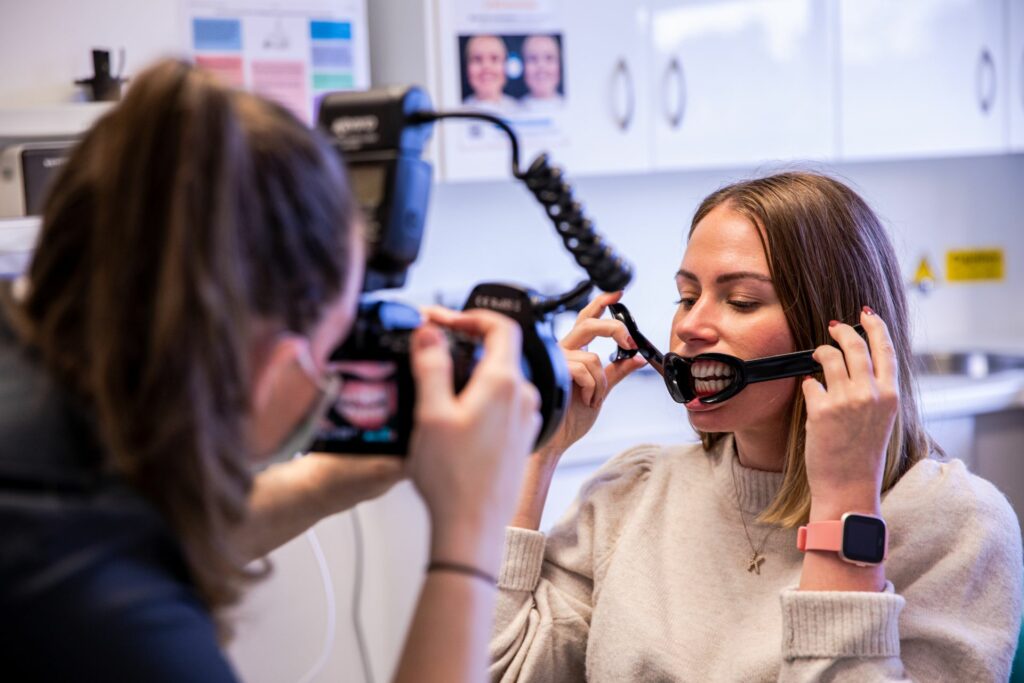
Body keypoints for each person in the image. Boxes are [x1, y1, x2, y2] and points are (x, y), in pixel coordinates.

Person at [0, 59, 541, 682]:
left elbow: (153, 523)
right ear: (273, 366)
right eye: (333, 345)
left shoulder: (48, 447)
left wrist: (333, 479)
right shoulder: (121, 629)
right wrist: (466, 535)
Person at [487, 172, 1023, 681]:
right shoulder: (631, 493)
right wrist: (538, 451)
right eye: (687, 296)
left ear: (839, 336)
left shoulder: (958, 525)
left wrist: (845, 502)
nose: (691, 326)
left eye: (741, 301)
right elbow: (497, 673)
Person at [462, 34, 519, 112]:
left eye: (494, 58)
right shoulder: (458, 110)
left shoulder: (519, 109)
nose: (486, 66)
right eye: (477, 59)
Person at [520, 35, 564, 110]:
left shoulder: (570, 105)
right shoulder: (513, 108)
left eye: (549, 58)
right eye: (533, 58)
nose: (541, 66)